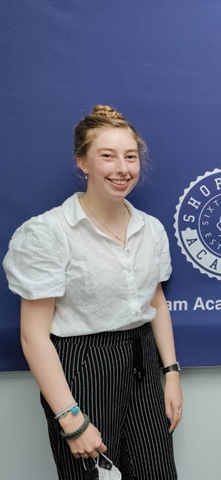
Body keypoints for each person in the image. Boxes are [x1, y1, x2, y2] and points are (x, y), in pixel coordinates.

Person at [3, 105, 182, 479]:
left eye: (130, 157)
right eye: (107, 156)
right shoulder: (48, 233)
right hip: (82, 368)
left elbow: (155, 301)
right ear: (82, 162)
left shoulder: (151, 230)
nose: (122, 168)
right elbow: (33, 336)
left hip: (143, 361)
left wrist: (171, 374)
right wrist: (70, 418)